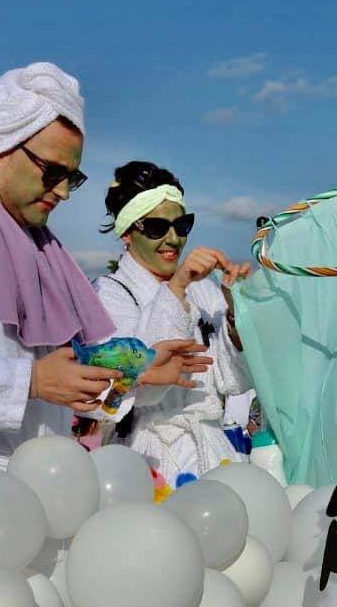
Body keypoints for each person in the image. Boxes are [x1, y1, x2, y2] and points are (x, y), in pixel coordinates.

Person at [0, 63, 206, 478]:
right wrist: (28, 381)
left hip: (39, 487)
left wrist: (136, 371)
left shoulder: (43, 255)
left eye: (72, 177)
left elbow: (63, 371)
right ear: (1, 149)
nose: (62, 191)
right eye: (52, 172)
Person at [94, 161, 252, 483]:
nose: (173, 239)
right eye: (156, 227)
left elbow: (231, 380)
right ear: (126, 233)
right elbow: (134, 378)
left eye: (181, 226)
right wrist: (176, 287)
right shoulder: (109, 295)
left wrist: (237, 313)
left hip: (213, 449)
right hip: (145, 457)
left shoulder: (204, 291)